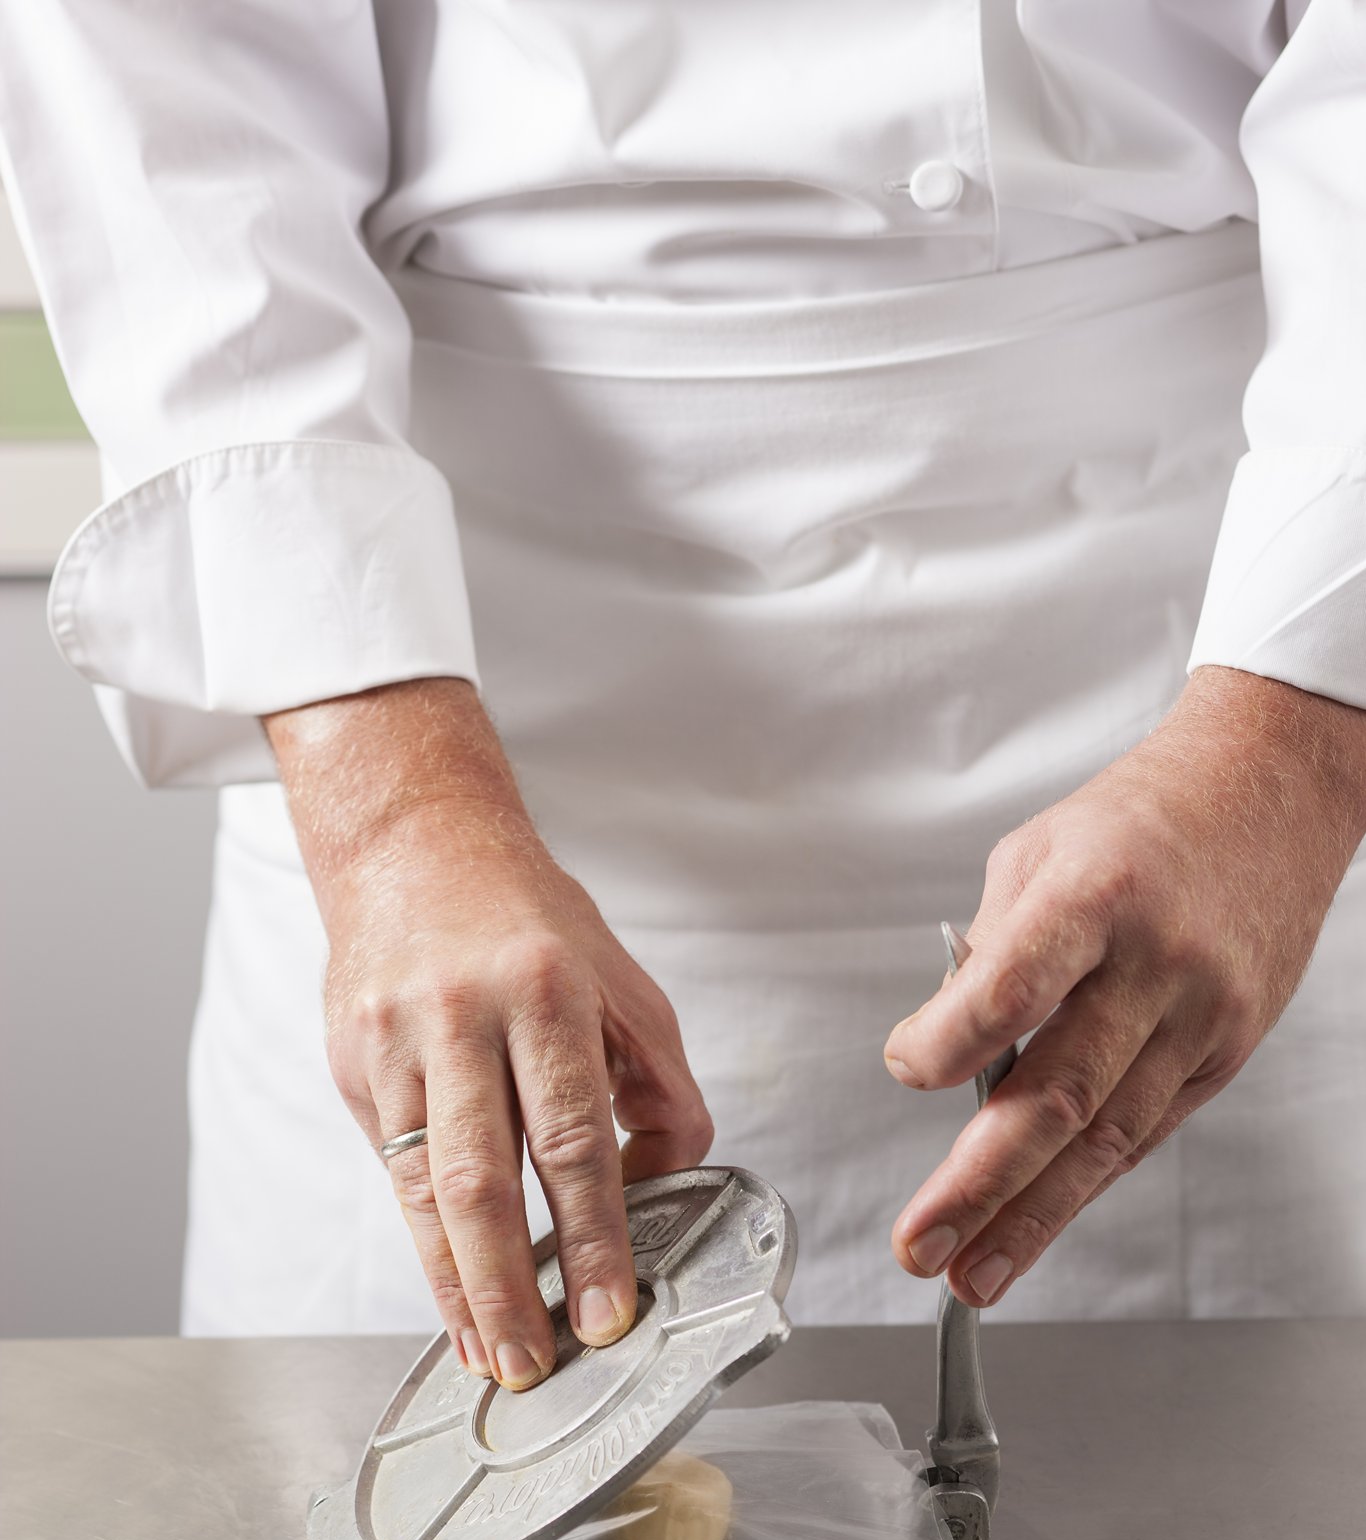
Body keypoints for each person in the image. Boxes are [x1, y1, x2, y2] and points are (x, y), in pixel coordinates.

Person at [3, 4, 1364, 1388]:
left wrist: (1289, 751)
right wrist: (392, 815)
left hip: (1207, 725)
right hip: (426, 740)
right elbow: (175, 110)